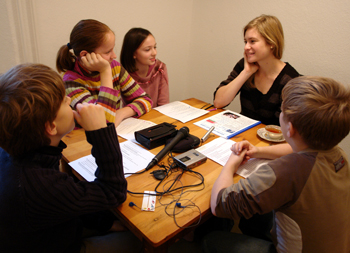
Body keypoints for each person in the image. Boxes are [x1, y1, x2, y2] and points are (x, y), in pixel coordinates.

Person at [0, 63, 142, 252]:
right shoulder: (39, 184)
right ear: (50, 127)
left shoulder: (18, 150)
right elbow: (114, 193)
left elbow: (63, 204)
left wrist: (104, 224)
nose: (69, 99)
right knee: (139, 240)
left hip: (48, 228)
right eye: (64, 102)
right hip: (59, 244)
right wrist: (101, 132)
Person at [204, 76, 350, 252]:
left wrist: (231, 164)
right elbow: (296, 150)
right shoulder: (338, 154)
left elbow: (220, 205)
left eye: (282, 111)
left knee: (212, 239)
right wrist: (257, 151)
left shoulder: (287, 171)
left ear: (290, 128)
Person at [56, 19, 153, 127]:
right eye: (107, 52)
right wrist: (105, 71)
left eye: (112, 49)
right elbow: (103, 123)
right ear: (85, 55)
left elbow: (146, 100)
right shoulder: (70, 82)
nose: (114, 56)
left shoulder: (115, 67)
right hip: (85, 140)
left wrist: (121, 113)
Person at [213, 14, 300, 126]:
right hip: (241, 134)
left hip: (269, 141)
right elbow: (218, 102)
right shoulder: (245, 65)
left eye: (252, 41)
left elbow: (283, 129)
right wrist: (246, 73)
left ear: (271, 43)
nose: (246, 47)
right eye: (245, 42)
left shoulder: (290, 81)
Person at [120, 27, 169, 107]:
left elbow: (164, 104)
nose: (154, 53)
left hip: (157, 117)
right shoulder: (123, 74)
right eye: (147, 49)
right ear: (133, 53)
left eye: (155, 47)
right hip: (133, 117)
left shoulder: (159, 68)